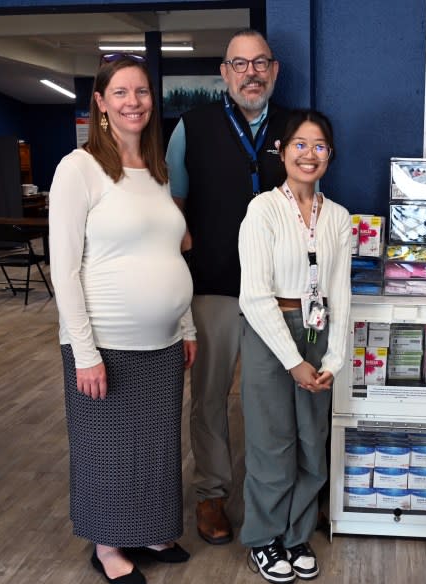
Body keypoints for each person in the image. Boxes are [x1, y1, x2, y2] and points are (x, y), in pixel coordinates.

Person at [49, 54, 198, 584]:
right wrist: (84, 352)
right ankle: (108, 544)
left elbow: (170, 254)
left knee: (157, 446)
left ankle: (153, 530)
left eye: (141, 92)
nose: (133, 101)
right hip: (105, 341)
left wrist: (187, 326)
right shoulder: (78, 168)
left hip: (161, 342)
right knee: (107, 450)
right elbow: (63, 270)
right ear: (100, 102)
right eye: (120, 92)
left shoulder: (155, 172)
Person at [164, 28, 289, 545]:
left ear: (274, 70)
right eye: (240, 64)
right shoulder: (191, 127)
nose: (250, 73)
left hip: (280, 293)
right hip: (212, 286)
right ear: (224, 72)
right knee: (209, 400)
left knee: (272, 402)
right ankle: (211, 494)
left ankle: (271, 496)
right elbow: (173, 209)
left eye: (260, 63)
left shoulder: (296, 127)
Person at [237, 110, 351, 584]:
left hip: (316, 329)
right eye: (299, 145)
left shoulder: (340, 217)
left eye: (320, 145)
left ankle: (296, 533)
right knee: (271, 441)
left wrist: (332, 359)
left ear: (331, 155)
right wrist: (293, 362)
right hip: (270, 333)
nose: (309, 154)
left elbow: (341, 292)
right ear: (281, 152)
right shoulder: (262, 209)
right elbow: (254, 296)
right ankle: (264, 538)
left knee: (310, 442)